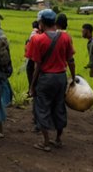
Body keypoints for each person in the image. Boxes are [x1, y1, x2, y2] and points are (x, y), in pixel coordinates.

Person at [27, 9, 76, 152]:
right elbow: (71, 60)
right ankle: (58, 139)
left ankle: (46, 142)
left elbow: (37, 65)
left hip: (45, 78)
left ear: (41, 23)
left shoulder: (37, 39)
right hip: (61, 77)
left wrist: (32, 85)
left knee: (42, 108)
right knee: (59, 106)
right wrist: (73, 78)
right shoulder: (66, 38)